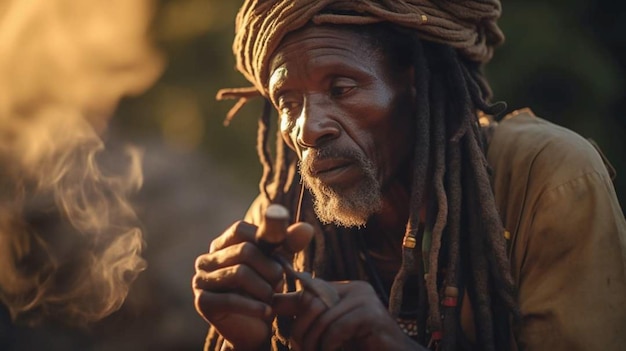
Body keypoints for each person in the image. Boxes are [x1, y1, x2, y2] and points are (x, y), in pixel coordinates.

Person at [192, 1, 626, 350]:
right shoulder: (285, 217)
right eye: (287, 102)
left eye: (341, 89)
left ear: (417, 85)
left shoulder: (551, 177)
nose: (307, 129)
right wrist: (249, 341)